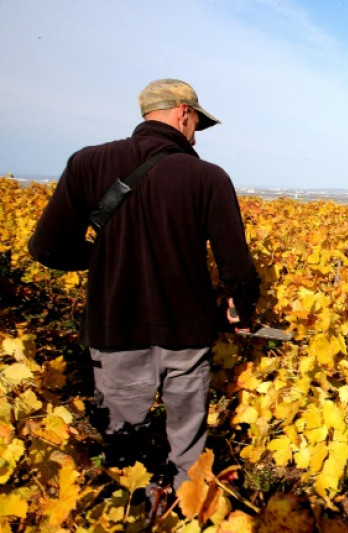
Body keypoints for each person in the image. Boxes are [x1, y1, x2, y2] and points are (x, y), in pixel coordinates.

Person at [28, 79, 261, 492]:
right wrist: (238, 312)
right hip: (187, 334)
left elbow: (46, 248)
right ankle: (183, 509)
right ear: (183, 113)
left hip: (115, 330)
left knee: (121, 451)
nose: (194, 134)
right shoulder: (208, 177)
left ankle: (134, 510)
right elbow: (237, 270)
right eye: (196, 124)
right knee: (189, 454)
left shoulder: (86, 163)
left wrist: (100, 261)